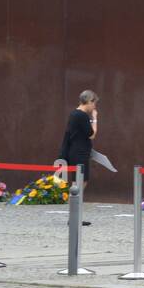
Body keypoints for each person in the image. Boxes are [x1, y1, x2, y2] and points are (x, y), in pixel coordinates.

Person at [59, 90, 98, 226]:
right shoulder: (81, 115)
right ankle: (74, 217)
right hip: (79, 154)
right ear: (88, 101)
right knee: (79, 185)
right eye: (94, 103)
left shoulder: (74, 114)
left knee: (77, 185)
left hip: (76, 153)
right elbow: (92, 134)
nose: (94, 107)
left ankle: (74, 217)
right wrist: (94, 118)